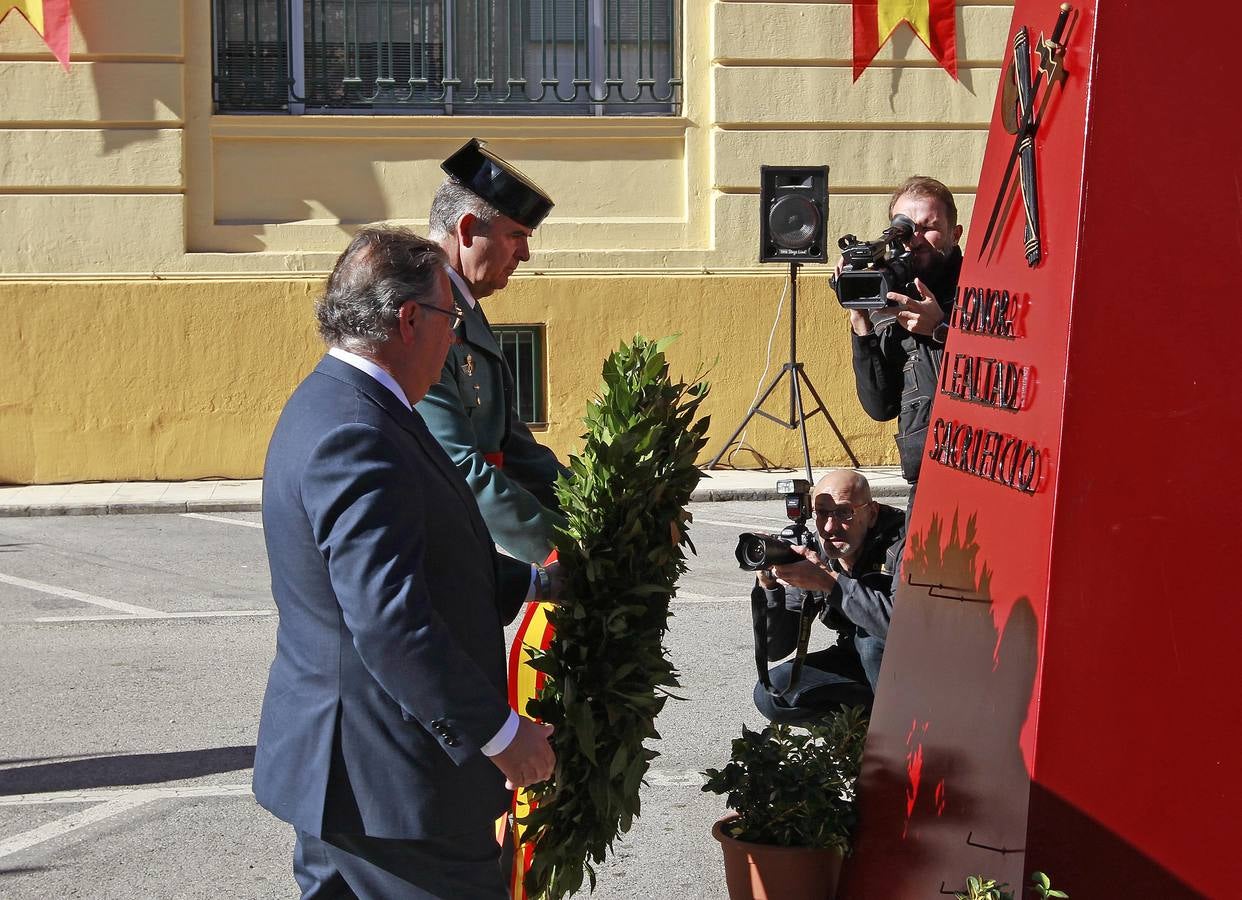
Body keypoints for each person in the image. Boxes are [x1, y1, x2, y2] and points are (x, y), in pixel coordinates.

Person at [254, 226, 561, 899]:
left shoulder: (342, 404)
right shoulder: (357, 431)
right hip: (391, 786)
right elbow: (390, 620)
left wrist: (539, 581)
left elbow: (426, 563)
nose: (455, 340)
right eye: (450, 321)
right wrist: (501, 733)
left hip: (353, 780)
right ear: (410, 320)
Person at [418, 138, 569, 564]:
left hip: (464, 538)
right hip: (433, 544)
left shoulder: (463, 304)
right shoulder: (424, 312)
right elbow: (459, 467)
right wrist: (568, 550)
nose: (525, 253)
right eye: (516, 235)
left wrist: (596, 509)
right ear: (466, 230)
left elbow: (513, 444)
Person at [752, 470, 904, 725]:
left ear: (872, 513)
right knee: (773, 694)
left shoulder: (903, 544)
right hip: (857, 665)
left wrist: (828, 583)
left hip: (912, 669)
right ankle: (857, 735)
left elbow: (901, 628)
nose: (830, 527)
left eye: (844, 513)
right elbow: (778, 647)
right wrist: (769, 587)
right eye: (821, 513)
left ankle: (899, 737)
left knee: (869, 641)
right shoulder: (816, 550)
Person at [849, 176, 964, 492]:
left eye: (929, 227)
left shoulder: (983, 290)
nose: (916, 238)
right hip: (923, 475)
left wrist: (941, 329)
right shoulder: (890, 299)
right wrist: (859, 317)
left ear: (955, 234)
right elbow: (880, 407)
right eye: (906, 229)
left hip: (979, 469)